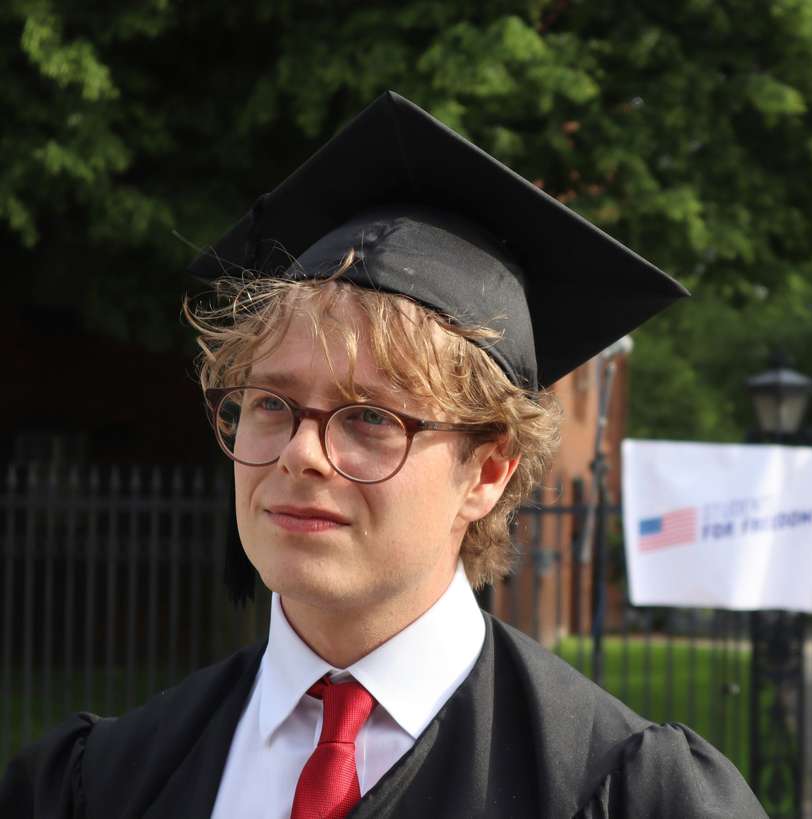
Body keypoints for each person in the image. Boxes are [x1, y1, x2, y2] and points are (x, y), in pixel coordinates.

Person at [0, 91, 766, 818]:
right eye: (271, 402)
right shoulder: (101, 781)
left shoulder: (620, 792)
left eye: (369, 417)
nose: (301, 452)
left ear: (488, 471)